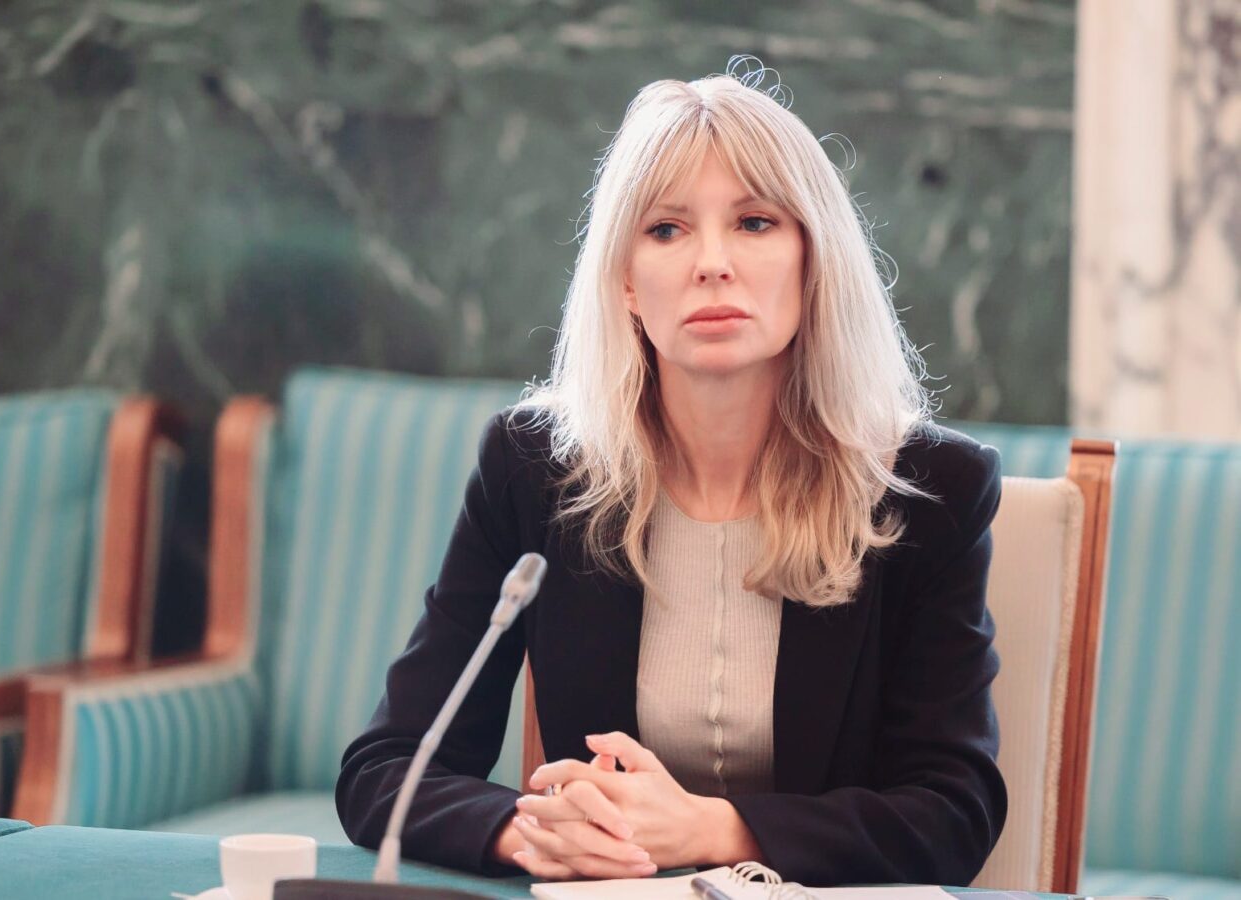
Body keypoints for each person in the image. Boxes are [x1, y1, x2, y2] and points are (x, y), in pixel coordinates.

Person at [337, 56, 1007, 887]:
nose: (711, 262)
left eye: (754, 222)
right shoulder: (534, 470)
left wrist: (710, 828)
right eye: (665, 229)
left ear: (814, 260)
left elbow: (952, 813)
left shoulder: (931, 489)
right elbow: (385, 769)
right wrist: (529, 832)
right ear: (624, 280)